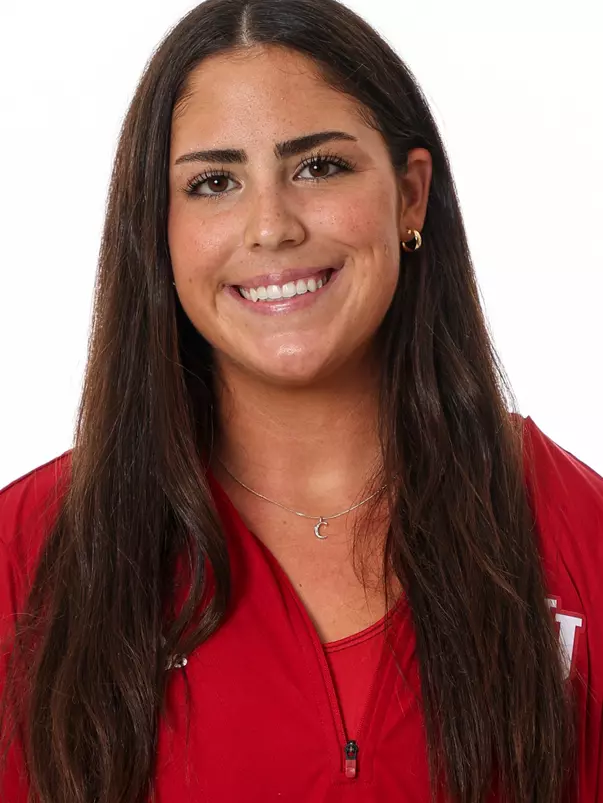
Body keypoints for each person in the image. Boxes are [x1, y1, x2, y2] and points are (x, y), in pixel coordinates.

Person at [1, 0, 602, 800]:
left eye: (318, 166)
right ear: (159, 227)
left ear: (410, 195)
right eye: (213, 182)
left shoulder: (575, 530)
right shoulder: (31, 554)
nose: (270, 227)